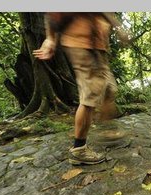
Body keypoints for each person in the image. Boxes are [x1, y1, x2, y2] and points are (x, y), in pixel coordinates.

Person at [33, 13, 130, 165]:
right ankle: (79, 149)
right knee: (91, 94)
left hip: (99, 46)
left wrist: (117, 27)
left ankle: (107, 131)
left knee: (109, 89)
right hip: (81, 43)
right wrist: (51, 38)